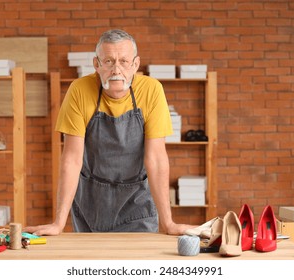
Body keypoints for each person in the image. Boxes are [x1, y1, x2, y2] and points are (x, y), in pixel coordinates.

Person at [24, 29, 193, 236]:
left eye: (124, 61)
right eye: (109, 61)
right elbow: (71, 159)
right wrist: (58, 223)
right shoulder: (79, 90)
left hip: (136, 203)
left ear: (135, 65)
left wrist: (168, 223)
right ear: (97, 64)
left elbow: (156, 159)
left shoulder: (151, 90)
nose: (116, 70)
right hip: (90, 204)